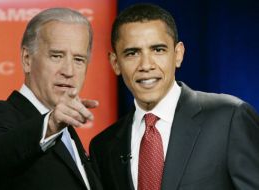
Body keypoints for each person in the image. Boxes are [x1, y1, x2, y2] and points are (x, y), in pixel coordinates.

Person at [89, 3, 259, 190]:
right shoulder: (103, 147)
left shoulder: (229, 118)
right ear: (115, 63)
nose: (146, 65)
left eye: (158, 50)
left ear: (178, 54)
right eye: (132, 53)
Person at [0, 7, 102, 190]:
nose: (69, 71)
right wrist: (50, 125)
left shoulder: (70, 136)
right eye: (56, 56)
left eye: (78, 59)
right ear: (27, 59)